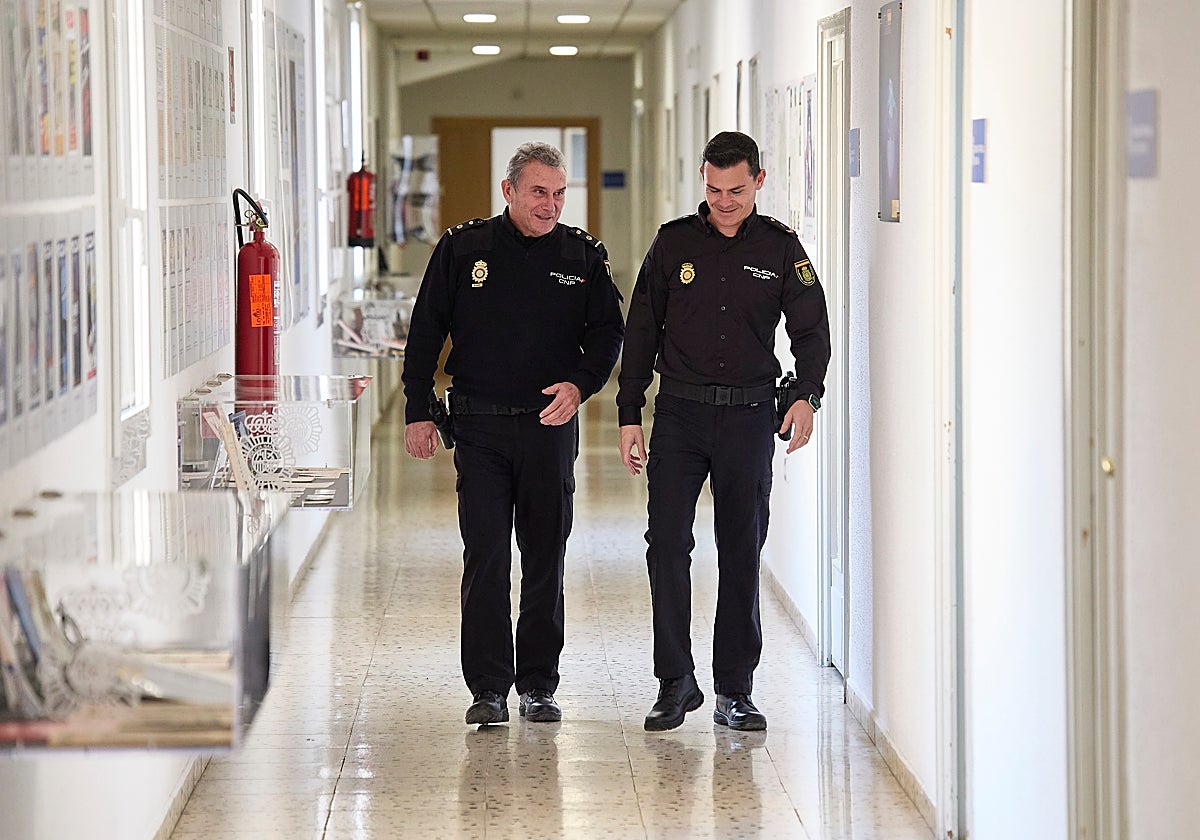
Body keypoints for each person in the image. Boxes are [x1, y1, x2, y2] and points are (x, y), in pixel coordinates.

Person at [402, 142, 624, 726]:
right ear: (508, 191)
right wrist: (417, 409)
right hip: (479, 426)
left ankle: (539, 686)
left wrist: (581, 386)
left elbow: (608, 334)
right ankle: (489, 687)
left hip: (549, 427)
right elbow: (425, 332)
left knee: (546, 555)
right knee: (487, 556)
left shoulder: (582, 256)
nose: (550, 205)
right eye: (538, 192)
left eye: (559, 193)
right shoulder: (463, 248)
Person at [616, 131, 830, 732]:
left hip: (748, 418)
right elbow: (641, 330)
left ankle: (735, 689)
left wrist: (807, 394)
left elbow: (812, 330)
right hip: (679, 416)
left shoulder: (781, 248)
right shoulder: (673, 243)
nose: (724, 202)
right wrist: (629, 412)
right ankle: (674, 682)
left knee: (740, 550)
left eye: (736, 190)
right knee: (666, 546)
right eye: (714, 190)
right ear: (703, 182)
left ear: (758, 181)